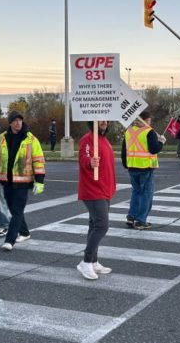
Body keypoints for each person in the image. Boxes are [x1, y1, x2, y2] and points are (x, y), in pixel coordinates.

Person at [0, 111, 45, 251]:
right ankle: (25, 232)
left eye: (20, 120)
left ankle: (10, 240)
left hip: (23, 181)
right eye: (15, 120)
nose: (18, 123)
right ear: (10, 123)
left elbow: (38, 160)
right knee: (14, 209)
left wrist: (39, 181)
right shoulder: (2, 138)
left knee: (17, 211)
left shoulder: (31, 139)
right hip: (6, 180)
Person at [76, 120, 116, 280]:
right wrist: (89, 162)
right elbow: (83, 157)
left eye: (105, 119)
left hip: (105, 189)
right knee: (102, 225)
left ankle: (93, 261)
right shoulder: (87, 139)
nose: (103, 122)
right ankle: (85, 262)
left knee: (94, 225)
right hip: (92, 189)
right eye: (99, 119)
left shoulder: (104, 140)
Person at [121, 111, 165, 230]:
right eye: (149, 120)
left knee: (136, 192)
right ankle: (141, 221)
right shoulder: (149, 132)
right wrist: (161, 142)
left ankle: (131, 217)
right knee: (146, 194)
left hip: (132, 167)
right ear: (146, 120)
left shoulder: (129, 131)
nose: (150, 122)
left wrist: (126, 165)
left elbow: (124, 151)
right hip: (146, 167)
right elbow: (154, 149)